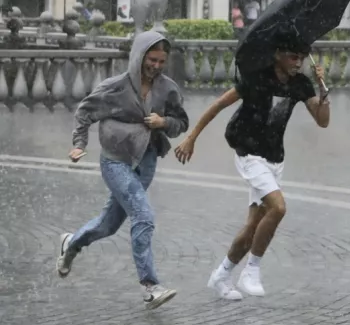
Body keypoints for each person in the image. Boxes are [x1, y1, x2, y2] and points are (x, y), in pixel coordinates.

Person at [173, 28, 330, 301]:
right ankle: (251, 270)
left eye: (302, 58)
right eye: (293, 57)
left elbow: (323, 120)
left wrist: (322, 89)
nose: (298, 62)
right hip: (249, 154)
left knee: (252, 228)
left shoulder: (301, 84)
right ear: (278, 55)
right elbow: (218, 105)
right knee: (279, 207)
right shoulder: (257, 78)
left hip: (274, 158)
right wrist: (191, 138)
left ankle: (222, 274)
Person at [57, 31, 189, 310]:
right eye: (152, 59)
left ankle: (71, 243)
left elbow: (181, 123)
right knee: (143, 215)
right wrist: (79, 144)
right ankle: (150, 286)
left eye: (162, 61)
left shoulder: (168, 89)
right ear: (139, 56)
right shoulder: (115, 87)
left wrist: (163, 122)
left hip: (147, 161)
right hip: (115, 161)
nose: (156, 66)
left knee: (108, 225)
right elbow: (84, 112)